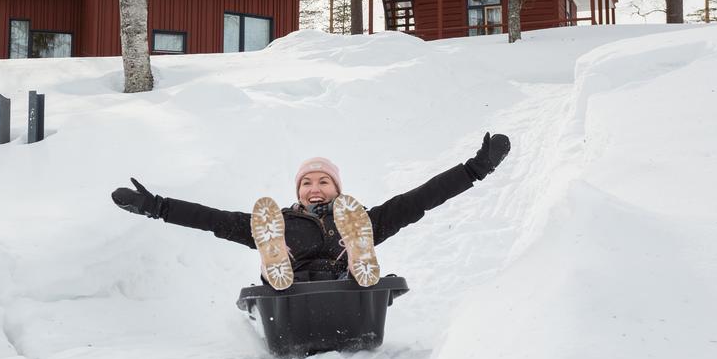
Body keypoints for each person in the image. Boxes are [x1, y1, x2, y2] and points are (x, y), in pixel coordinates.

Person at [111, 132, 511, 290]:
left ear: (338, 188)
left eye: (323, 182)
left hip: (345, 286)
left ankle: (356, 260)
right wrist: (156, 206)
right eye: (306, 183)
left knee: (374, 226)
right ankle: (276, 266)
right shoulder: (280, 222)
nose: (314, 188)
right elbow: (214, 220)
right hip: (294, 289)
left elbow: (422, 197)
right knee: (260, 233)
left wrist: (475, 169)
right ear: (298, 192)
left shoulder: (363, 219)